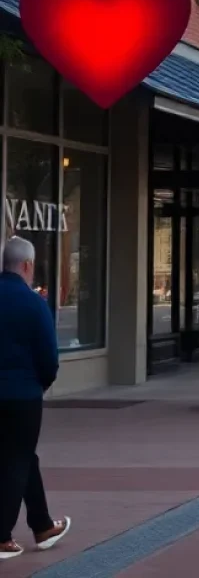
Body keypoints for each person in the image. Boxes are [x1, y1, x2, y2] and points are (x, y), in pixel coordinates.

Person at [0, 237, 70, 560]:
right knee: (17, 458)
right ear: (27, 265)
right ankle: (1, 536)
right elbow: (49, 358)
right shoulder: (33, 304)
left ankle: (42, 525)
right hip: (22, 396)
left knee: (24, 456)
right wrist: (40, 384)